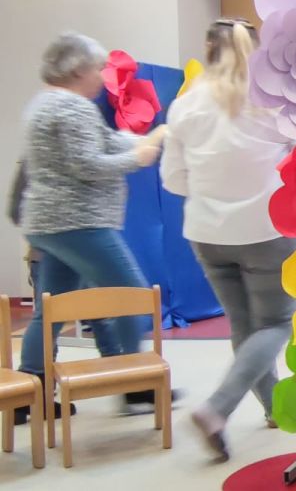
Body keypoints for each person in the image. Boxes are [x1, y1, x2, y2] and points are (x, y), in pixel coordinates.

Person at [159, 18, 296, 461]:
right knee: (276, 323)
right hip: (267, 230)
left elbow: (174, 180)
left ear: (207, 49)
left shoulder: (185, 106)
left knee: (243, 326)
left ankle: (274, 407)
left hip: (207, 233)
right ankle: (218, 408)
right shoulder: (273, 101)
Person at [15, 32, 166, 419]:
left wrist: (145, 139)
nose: (102, 76)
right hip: (78, 222)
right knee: (133, 295)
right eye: (98, 68)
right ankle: (135, 383)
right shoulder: (73, 107)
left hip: (48, 223)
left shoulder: (44, 103)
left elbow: (106, 141)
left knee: (50, 309)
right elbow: (88, 164)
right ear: (77, 70)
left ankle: (28, 394)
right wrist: (140, 158)